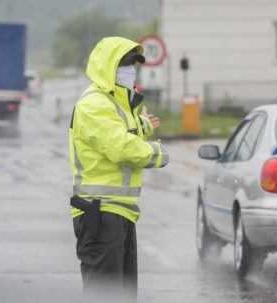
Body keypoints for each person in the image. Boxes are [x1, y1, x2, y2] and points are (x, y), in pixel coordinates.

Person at [68, 37, 169, 302]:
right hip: (100, 213)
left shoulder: (117, 102)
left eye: (134, 65)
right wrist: (157, 153)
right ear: (107, 67)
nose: (131, 70)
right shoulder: (93, 104)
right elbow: (121, 146)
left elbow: (121, 132)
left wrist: (143, 126)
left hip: (118, 212)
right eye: (126, 64)